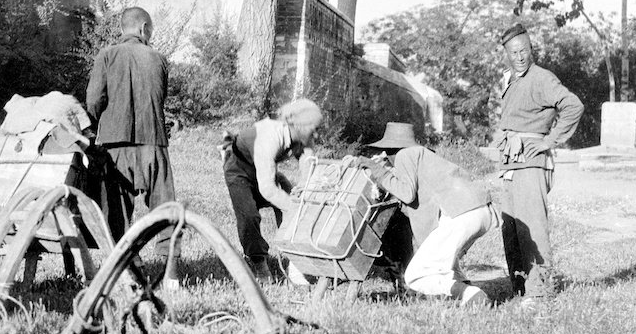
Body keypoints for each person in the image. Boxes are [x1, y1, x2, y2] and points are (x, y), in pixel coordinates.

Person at [352, 122, 496, 306]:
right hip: (479, 210)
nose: (385, 156)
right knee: (444, 261)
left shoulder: (405, 154)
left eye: (387, 151)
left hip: (461, 214)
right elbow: (419, 203)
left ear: (393, 149)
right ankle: (466, 294)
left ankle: (472, 295)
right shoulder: (421, 156)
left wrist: (376, 169)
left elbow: (406, 193)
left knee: (415, 276)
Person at [86, 7, 180, 282]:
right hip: (154, 143)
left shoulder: (107, 55)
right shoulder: (159, 59)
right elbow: (158, 100)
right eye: (150, 30)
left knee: (117, 212)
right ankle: (171, 276)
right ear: (143, 29)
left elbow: (93, 100)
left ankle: (130, 271)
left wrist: (98, 126)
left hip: (116, 146)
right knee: (165, 207)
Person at [496, 23, 584, 304]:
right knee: (511, 227)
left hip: (531, 163)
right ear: (506, 55)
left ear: (532, 49)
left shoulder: (542, 78)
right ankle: (521, 288)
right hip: (511, 162)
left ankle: (541, 292)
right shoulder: (511, 80)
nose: (520, 56)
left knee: (532, 228)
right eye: (514, 52)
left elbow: (574, 106)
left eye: (524, 50)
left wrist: (550, 141)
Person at [221, 98, 324, 282]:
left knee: (295, 205)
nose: (316, 136)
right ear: (299, 125)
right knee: (249, 216)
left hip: (264, 171)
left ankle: (295, 261)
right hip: (239, 170)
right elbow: (268, 189)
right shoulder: (269, 137)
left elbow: (307, 161)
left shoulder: (300, 133)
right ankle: (259, 264)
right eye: (313, 130)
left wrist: (303, 190)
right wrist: (292, 206)